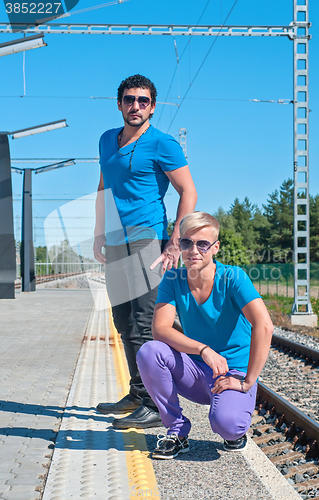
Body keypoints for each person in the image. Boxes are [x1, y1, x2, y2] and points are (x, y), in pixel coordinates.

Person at [93, 74, 197, 429]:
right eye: (128, 99)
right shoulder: (107, 140)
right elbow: (104, 186)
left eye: (142, 100)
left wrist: (174, 241)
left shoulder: (162, 144)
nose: (135, 106)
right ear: (119, 103)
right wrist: (97, 233)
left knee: (144, 322)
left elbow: (188, 192)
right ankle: (138, 394)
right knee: (122, 321)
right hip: (116, 239)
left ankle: (156, 405)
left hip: (147, 238)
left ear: (152, 106)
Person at [136, 211, 274, 458]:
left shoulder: (233, 277)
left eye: (202, 244)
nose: (194, 250)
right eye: (187, 243)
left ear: (215, 247)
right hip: (196, 372)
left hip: (232, 373)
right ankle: (176, 431)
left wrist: (247, 381)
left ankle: (235, 419)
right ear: (180, 246)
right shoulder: (174, 279)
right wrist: (203, 349)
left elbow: (264, 326)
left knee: (228, 427)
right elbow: (160, 330)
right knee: (150, 352)